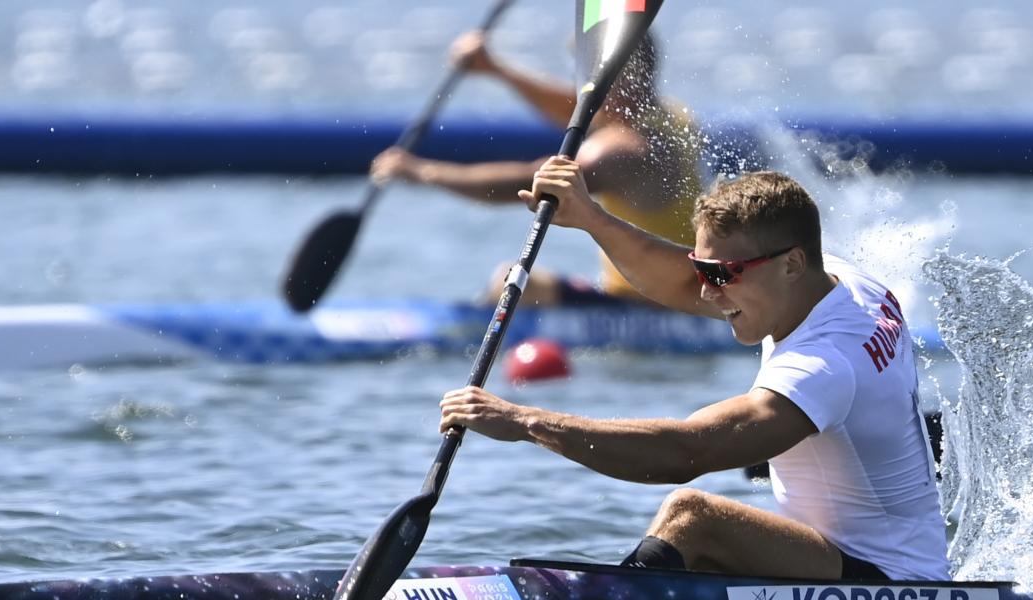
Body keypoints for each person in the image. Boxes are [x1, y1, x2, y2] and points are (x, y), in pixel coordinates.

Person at [438, 162, 950, 581]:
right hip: (850, 555)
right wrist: (591, 217)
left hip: (890, 580)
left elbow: (687, 453)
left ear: (792, 264)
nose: (706, 291)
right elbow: (679, 283)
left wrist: (525, 422)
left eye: (721, 275)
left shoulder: (825, 363)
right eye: (705, 269)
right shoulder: (840, 282)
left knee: (694, 517)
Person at [370, 30, 703, 306]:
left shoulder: (623, 151)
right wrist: (496, 69)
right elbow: (576, 110)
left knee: (511, 281)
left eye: (586, 72)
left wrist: (421, 172)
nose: (581, 82)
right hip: (679, 292)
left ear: (611, 76)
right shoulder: (670, 116)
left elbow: (530, 180)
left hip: (651, 308)